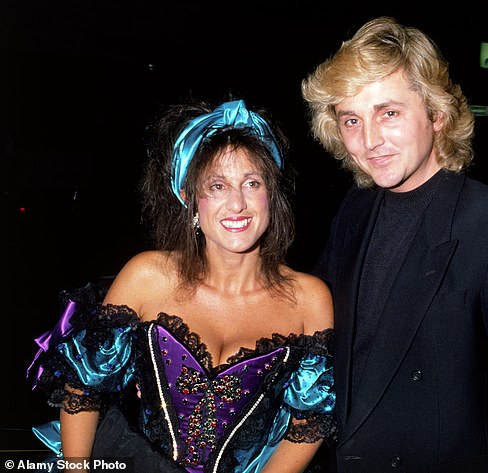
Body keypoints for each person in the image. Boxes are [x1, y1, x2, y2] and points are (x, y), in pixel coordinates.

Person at [301, 16, 488, 473]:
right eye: (351, 119)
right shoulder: (355, 207)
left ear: (437, 114)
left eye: (389, 113)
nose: (369, 140)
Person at [27, 99, 336, 473]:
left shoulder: (308, 299)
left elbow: (309, 425)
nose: (237, 203)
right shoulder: (147, 277)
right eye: (217, 186)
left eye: (251, 183)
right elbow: (83, 389)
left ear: (271, 194)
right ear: (189, 200)